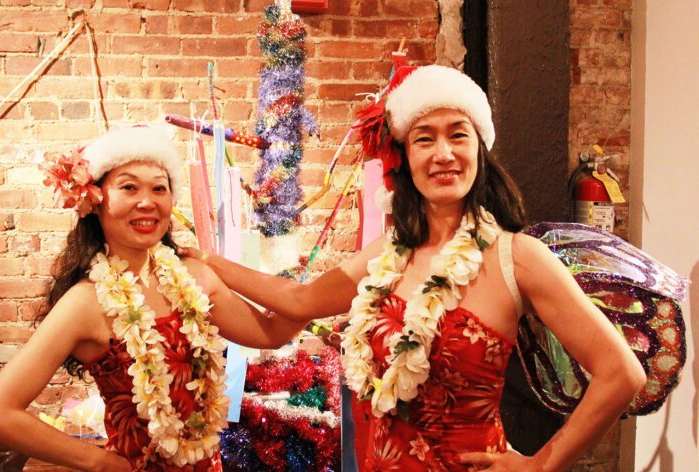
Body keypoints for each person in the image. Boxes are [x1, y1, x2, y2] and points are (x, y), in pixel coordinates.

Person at [183, 65, 647, 471]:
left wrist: (542, 465)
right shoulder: (389, 254)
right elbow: (301, 300)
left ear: (479, 150)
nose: (442, 153)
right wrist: (207, 261)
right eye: (425, 138)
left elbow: (622, 373)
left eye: (457, 134)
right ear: (406, 158)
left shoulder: (517, 257)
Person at [0, 126, 308, 471]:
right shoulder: (86, 302)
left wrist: (216, 263)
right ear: (96, 201)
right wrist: (98, 461)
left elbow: (272, 332)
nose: (147, 201)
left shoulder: (194, 277)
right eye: (129, 187)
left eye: (159, 188)